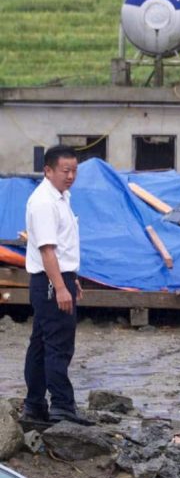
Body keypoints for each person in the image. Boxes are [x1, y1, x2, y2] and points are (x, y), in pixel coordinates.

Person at [22, 144, 90, 427]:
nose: (71, 175)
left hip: (55, 276)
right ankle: (62, 405)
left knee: (40, 345)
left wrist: (71, 277)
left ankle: (35, 405)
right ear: (48, 170)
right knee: (59, 346)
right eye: (66, 170)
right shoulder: (44, 202)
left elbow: (61, 247)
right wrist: (61, 287)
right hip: (50, 282)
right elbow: (47, 250)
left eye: (74, 170)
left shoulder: (61, 197)